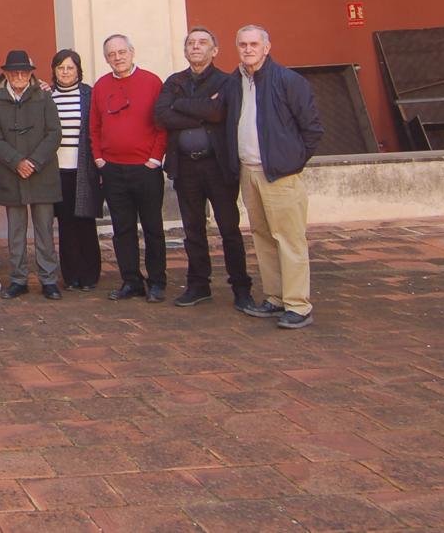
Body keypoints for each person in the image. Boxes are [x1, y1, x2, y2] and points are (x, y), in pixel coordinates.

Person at [223, 24, 323, 329]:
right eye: (243, 44)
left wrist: (289, 161)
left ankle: (298, 305)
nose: (248, 49)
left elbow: (312, 129)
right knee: (263, 238)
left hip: (279, 175)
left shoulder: (288, 81)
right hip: (248, 173)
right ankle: (275, 297)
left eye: (254, 44)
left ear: (267, 47)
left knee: (289, 240)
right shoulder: (235, 82)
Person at [154, 27, 253, 311]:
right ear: (185, 50)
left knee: (229, 228)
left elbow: (220, 113)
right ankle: (198, 284)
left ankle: (241, 287)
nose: (196, 47)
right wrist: (201, 112)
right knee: (192, 228)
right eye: (191, 43)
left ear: (215, 50)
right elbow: (161, 115)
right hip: (186, 167)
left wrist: (181, 106)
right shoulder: (174, 81)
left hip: (218, 166)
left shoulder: (227, 81)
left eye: (202, 43)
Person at [90, 34, 169, 303]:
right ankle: (131, 280)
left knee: (152, 227)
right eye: (111, 54)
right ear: (106, 58)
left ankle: (157, 281)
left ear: (132, 52)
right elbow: (95, 126)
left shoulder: (152, 82)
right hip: (113, 170)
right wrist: (99, 158)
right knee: (122, 228)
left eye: (122, 52)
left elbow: (162, 125)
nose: (117, 57)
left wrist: (155, 159)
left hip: (145, 169)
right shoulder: (101, 86)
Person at [0, 50, 64, 300]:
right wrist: (17, 161)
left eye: (24, 72)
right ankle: (18, 278)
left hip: (42, 172)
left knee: (44, 228)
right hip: (11, 172)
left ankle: (48, 279)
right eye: (14, 72)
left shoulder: (43, 96)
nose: (19, 76)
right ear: (6, 74)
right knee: (15, 230)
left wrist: (34, 161)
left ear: (31, 74)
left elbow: (54, 133)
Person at [49, 50, 103, 291]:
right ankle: (71, 275)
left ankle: (90, 274)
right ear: (54, 71)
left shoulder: (89, 95)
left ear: (78, 70)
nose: (65, 72)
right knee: (66, 223)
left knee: (85, 221)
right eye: (61, 68)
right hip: (57, 171)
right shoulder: (47, 97)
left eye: (70, 68)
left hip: (84, 169)